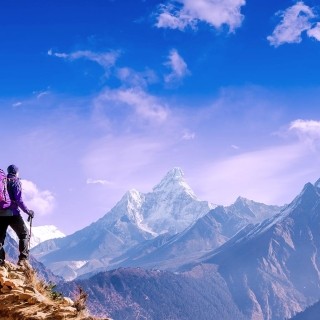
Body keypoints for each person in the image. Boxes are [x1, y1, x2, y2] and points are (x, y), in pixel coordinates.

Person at [0, 165, 34, 266]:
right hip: (13, 213)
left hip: (0, 214)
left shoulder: (3, 181)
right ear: (16, 172)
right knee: (24, 234)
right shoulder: (16, 182)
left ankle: (0, 261)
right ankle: (23, 259)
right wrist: (28, 211)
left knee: (0, 238)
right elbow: (19, 200)